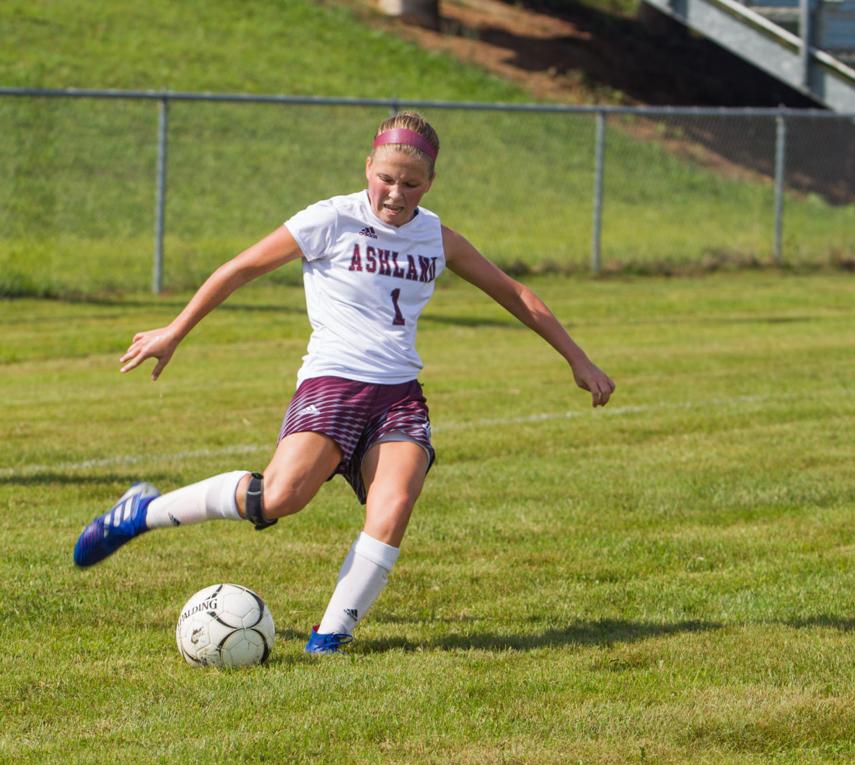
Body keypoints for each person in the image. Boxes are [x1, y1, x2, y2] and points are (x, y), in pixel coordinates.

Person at [74, 111, 616, 654]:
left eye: (411, 184)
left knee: (394, 503)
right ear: (367, 168)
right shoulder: (330, 219)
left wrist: (578, 359)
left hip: (399, 395)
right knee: (280, 497)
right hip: (333, 383)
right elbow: (239, 269)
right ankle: (140, 514)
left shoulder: (437, 237)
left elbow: (515, 293)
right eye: (386, 178)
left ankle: (331, 636)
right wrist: (175, 330)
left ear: (430, 183)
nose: (396, 193)